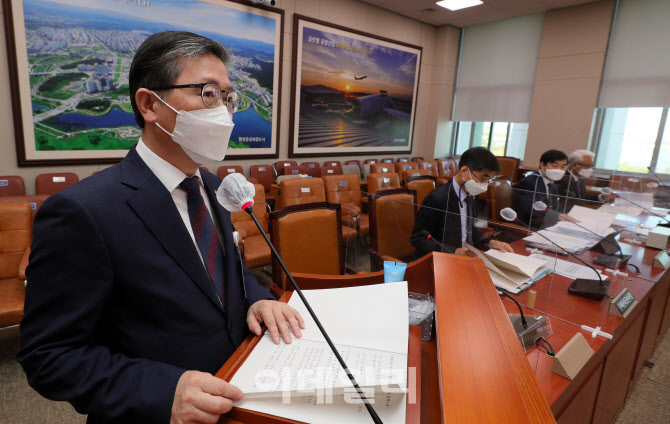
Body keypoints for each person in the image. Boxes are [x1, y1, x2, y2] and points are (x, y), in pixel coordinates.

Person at [18, 31, 305, 424]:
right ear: (150, 104)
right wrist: (163, 391)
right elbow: (48, 355)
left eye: (227, 96)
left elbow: (222, 276)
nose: (224, 111)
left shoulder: (213, 187)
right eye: (207, 92)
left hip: (239, 391)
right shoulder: (82, 211)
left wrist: (256, 297)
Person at [410, 147, 513, 258]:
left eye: (489, 180)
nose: (485, 185)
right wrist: (454, 251)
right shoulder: (437, 198)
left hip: (467, 257)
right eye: (484, 177)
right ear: (464, 171)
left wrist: (490, 242)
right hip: (441, 260)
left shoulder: (472, 196)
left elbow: (469, 230)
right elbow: (418, 238)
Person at [512, 149, 569, 229]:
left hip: (546, 223)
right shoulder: (528, 182)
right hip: (528, 226)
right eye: (555, 166)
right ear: (542, 165)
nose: (559, 170)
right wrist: (557, 216)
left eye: (563, 167)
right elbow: (529, 209)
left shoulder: (553, 184)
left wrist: (565, 215)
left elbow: (556, 207)